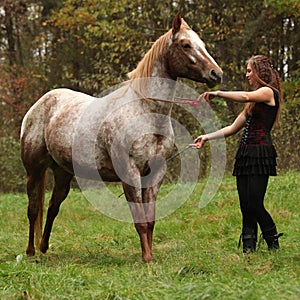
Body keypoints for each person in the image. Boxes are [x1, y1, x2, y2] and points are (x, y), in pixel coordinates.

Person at [191, 55, 283, 253]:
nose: (247, 74)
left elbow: (246, 96)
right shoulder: (251, 104)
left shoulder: (268, 92)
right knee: (245, 204)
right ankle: (248, 249)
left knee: (255, 203)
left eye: (250, 70)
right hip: (245, 155)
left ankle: (273, 245)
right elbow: (232, 128)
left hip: (261, 153)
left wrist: (218, 93)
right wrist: (206, 137)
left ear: (260, 72)